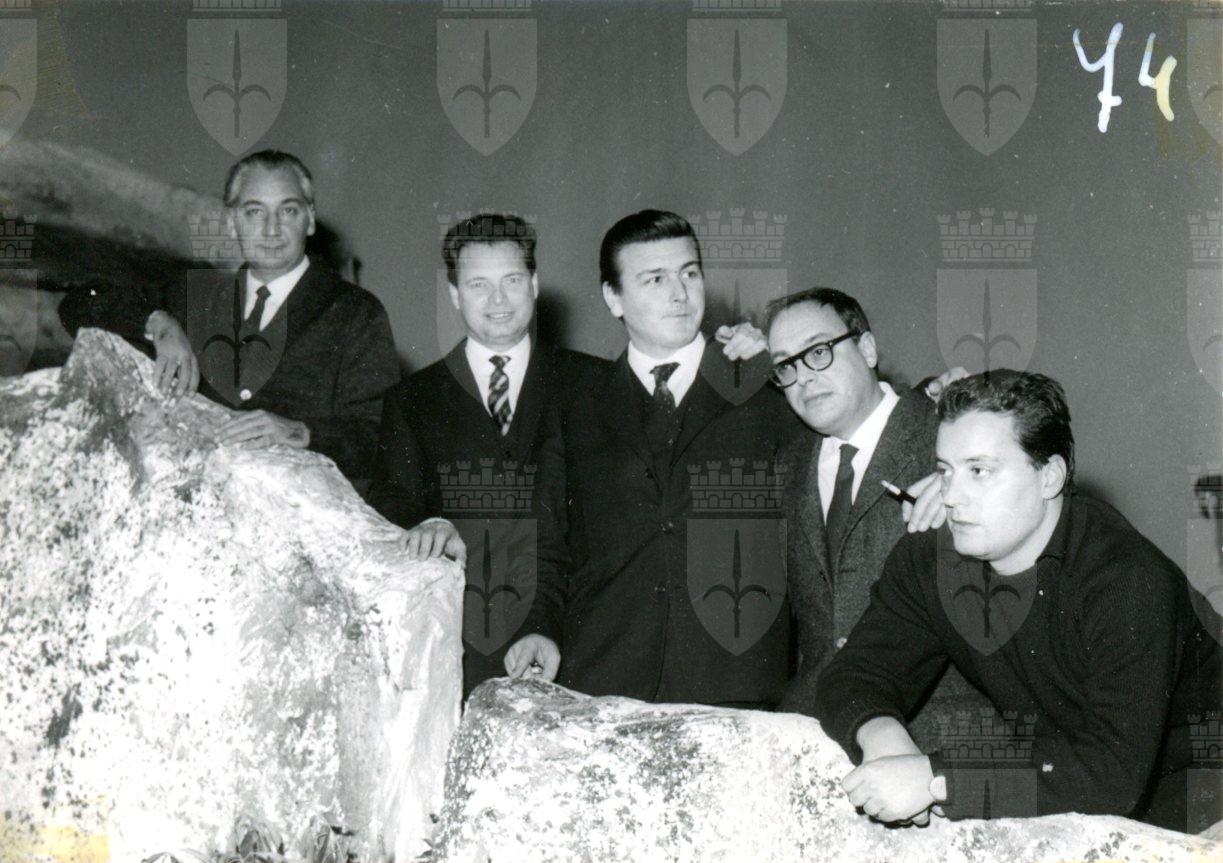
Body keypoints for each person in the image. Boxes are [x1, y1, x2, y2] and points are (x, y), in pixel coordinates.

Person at [813, 370, 1222, 830]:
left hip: (1198, 788)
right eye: (945, 471)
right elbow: (852, 674)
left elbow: (1111, 773)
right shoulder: (932, 559)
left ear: (1049, 477)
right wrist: (884, 738)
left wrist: (936, 779)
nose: (951, 497)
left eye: (979, 471)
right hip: (1074, 776)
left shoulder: (1128, 578)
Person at [504, 209, 805, 707]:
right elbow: (547, 543)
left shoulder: (763, 384)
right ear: (613, 297)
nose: (680, 294)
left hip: (737, 684)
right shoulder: (574, 407)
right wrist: (539, 627)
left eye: (690, 273)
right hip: (605, 679)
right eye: (655, 279)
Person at [58, 150, 399, 496]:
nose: (271, 229)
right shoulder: (195, 296)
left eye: (288, 211)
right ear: (232, 222)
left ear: (309, 219)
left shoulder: (356, 313)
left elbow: (382, 440)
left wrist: (300, 431)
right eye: (254, 212)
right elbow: (79, 303)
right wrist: (157, 322)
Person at [372, 213, 608, 697]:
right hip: (463, 651)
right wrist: (426, 522)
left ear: (535, 285)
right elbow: (391, 500)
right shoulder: (412, 400)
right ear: (455, 294)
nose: (498, 300)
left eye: (512, 280)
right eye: (478, 284)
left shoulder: (597, 384)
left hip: (581, 647)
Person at [764, 288, 985, 739]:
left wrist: (976, 492)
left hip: (941, 733)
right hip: (817, 729)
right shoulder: (785, 465)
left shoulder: (953, 435)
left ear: (867, 349)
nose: (803, 377)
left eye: (818, 352)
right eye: (786, 365)